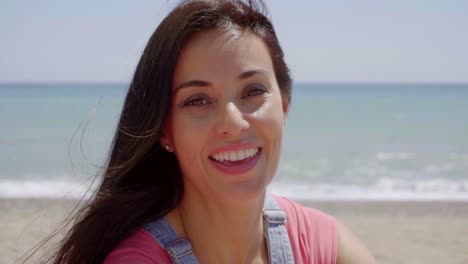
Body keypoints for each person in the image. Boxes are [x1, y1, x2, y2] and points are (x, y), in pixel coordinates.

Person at [48, 0, 375, 263]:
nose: (233, 122)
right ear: (165, 131)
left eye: (252, 91)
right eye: (198, 100)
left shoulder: (322, 244)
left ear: (285, 105)